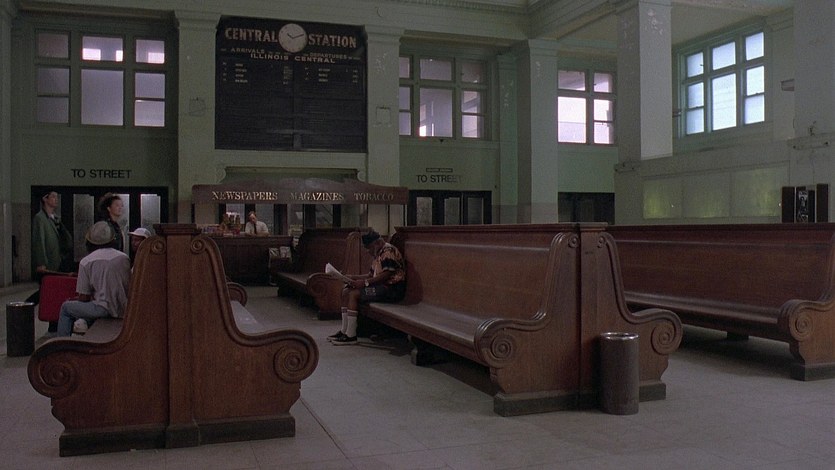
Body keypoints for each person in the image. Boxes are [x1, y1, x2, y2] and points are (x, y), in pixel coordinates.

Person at [329, 230, 406, 345]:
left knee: (353, 294)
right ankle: (344, 331)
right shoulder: (379, 252)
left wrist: (364, 283)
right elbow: (371, 275)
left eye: (369, 247)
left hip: (391, 289)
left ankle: (351, 335)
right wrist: (352, 278)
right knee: (346, 291)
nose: (368, 251)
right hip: (381, 287)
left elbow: (386, 275)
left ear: (377, 243)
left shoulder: (388, 252)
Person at [57, 221, 131, 337]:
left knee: (66, 308)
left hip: (102, 308)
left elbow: (84, 298)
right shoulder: (124, 258)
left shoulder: (86, 261)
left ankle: (62, 344)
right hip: (124, 307)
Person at [27, 191, 75, 332]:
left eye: (56, 197)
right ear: (45, 199)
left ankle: (53, 324)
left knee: (52, 292)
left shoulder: (54, 219)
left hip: (56, 260)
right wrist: (41, 262)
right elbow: (39, 241)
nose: (56, 199)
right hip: (48, 263)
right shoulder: (40, 218)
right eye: (53, 197)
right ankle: (25, 307)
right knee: (45, 291)